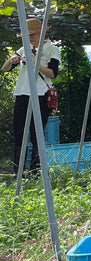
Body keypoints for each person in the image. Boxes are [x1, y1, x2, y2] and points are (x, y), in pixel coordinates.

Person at [2, 18, 61, 175]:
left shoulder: (51, 49)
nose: (30, 39)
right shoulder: (23, 49)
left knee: (37, 133)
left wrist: (36, 65)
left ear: (43, 33)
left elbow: (53, 73)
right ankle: (18, 170)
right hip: (22, 94)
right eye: (28, 36)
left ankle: (35, 170)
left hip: (40, 94)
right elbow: (5, 69)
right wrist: (12, 60)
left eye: (33, 35)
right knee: (19, 133)